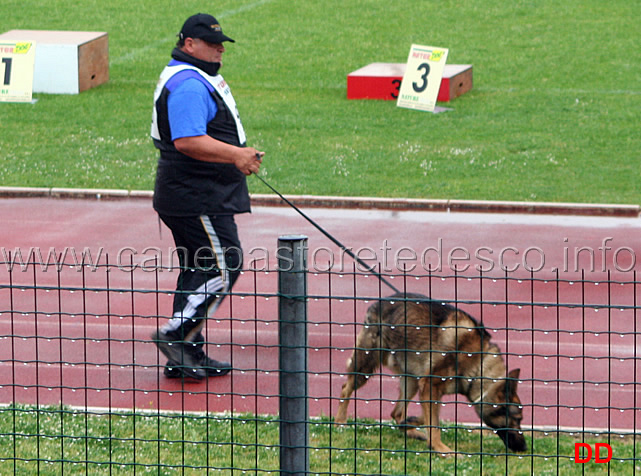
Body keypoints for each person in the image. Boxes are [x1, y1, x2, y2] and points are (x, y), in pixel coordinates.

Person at [150, 13, 263, 380]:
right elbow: (188, 140)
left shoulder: (192, 77)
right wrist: (236, 155)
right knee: (223, 265)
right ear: (189, 45)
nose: (219, 51)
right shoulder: (188, 85)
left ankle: (185, 355)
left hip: (193, 193)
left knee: (198, 269)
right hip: (196, 195)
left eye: (221, 46)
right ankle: (177, 336)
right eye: (213, 45)